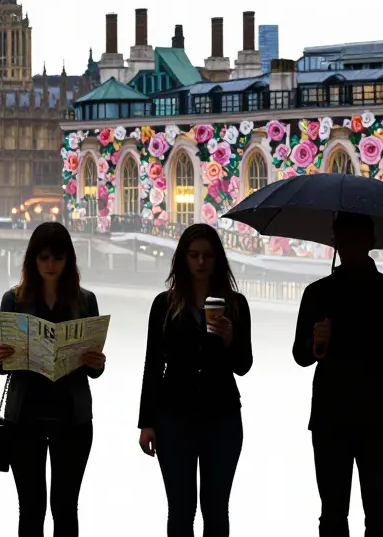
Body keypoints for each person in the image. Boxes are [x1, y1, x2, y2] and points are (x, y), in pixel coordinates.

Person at [293, 212, 383, 537]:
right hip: (330, 418)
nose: (351, 245)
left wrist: (371, 338)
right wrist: (315, 342)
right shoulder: (318, 294)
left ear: (372, 243)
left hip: (378, 419)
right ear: (335, 241)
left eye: (358, 239)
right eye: (344, 239)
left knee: (378, 514)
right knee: (333, 514)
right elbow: (300, 355)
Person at [137, 223, 253, 537]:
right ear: (183, 259)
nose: (201, 262)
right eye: (194, 255)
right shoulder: (164, 305)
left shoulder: (236, 305)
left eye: (208, 256)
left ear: (218, 260)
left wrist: (230, 340)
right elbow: (153, 365)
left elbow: (244, 366)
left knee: (216, 510)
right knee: (180, 510)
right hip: (173, 416)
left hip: (223, 416)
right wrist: (146, 422)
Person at [0, 222, 106, 537]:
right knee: (30, 508)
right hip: (24, 417)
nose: (51, 265)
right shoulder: (12, 301)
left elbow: (94, 371)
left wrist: (97, 362)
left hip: (72, 418)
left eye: (58, 257)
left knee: (66, 508)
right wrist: (1, 357)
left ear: (69, 259)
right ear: (32, 260)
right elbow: (4, 370)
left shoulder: (86, 301)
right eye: (44, 258)